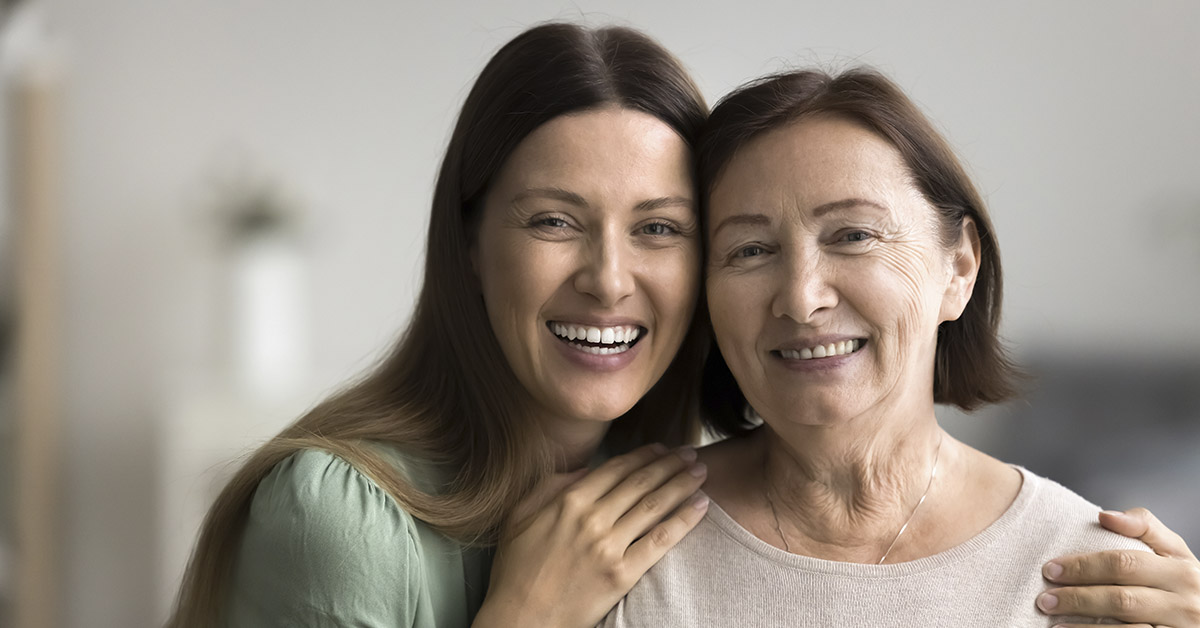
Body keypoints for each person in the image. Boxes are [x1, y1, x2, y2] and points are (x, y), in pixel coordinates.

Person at [169, 22, 1199, 628]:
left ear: (958, 264)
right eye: (553, 221)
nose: (609, 277)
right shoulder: (349, 517)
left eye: (660, 228)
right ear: (469, 244)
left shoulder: (650, 483)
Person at [603, 67, 1200, 627]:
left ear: (959, 266)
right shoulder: (614, 543)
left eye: (854, 235)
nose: (801, 298)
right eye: (750, 250)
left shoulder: (1094, 575)